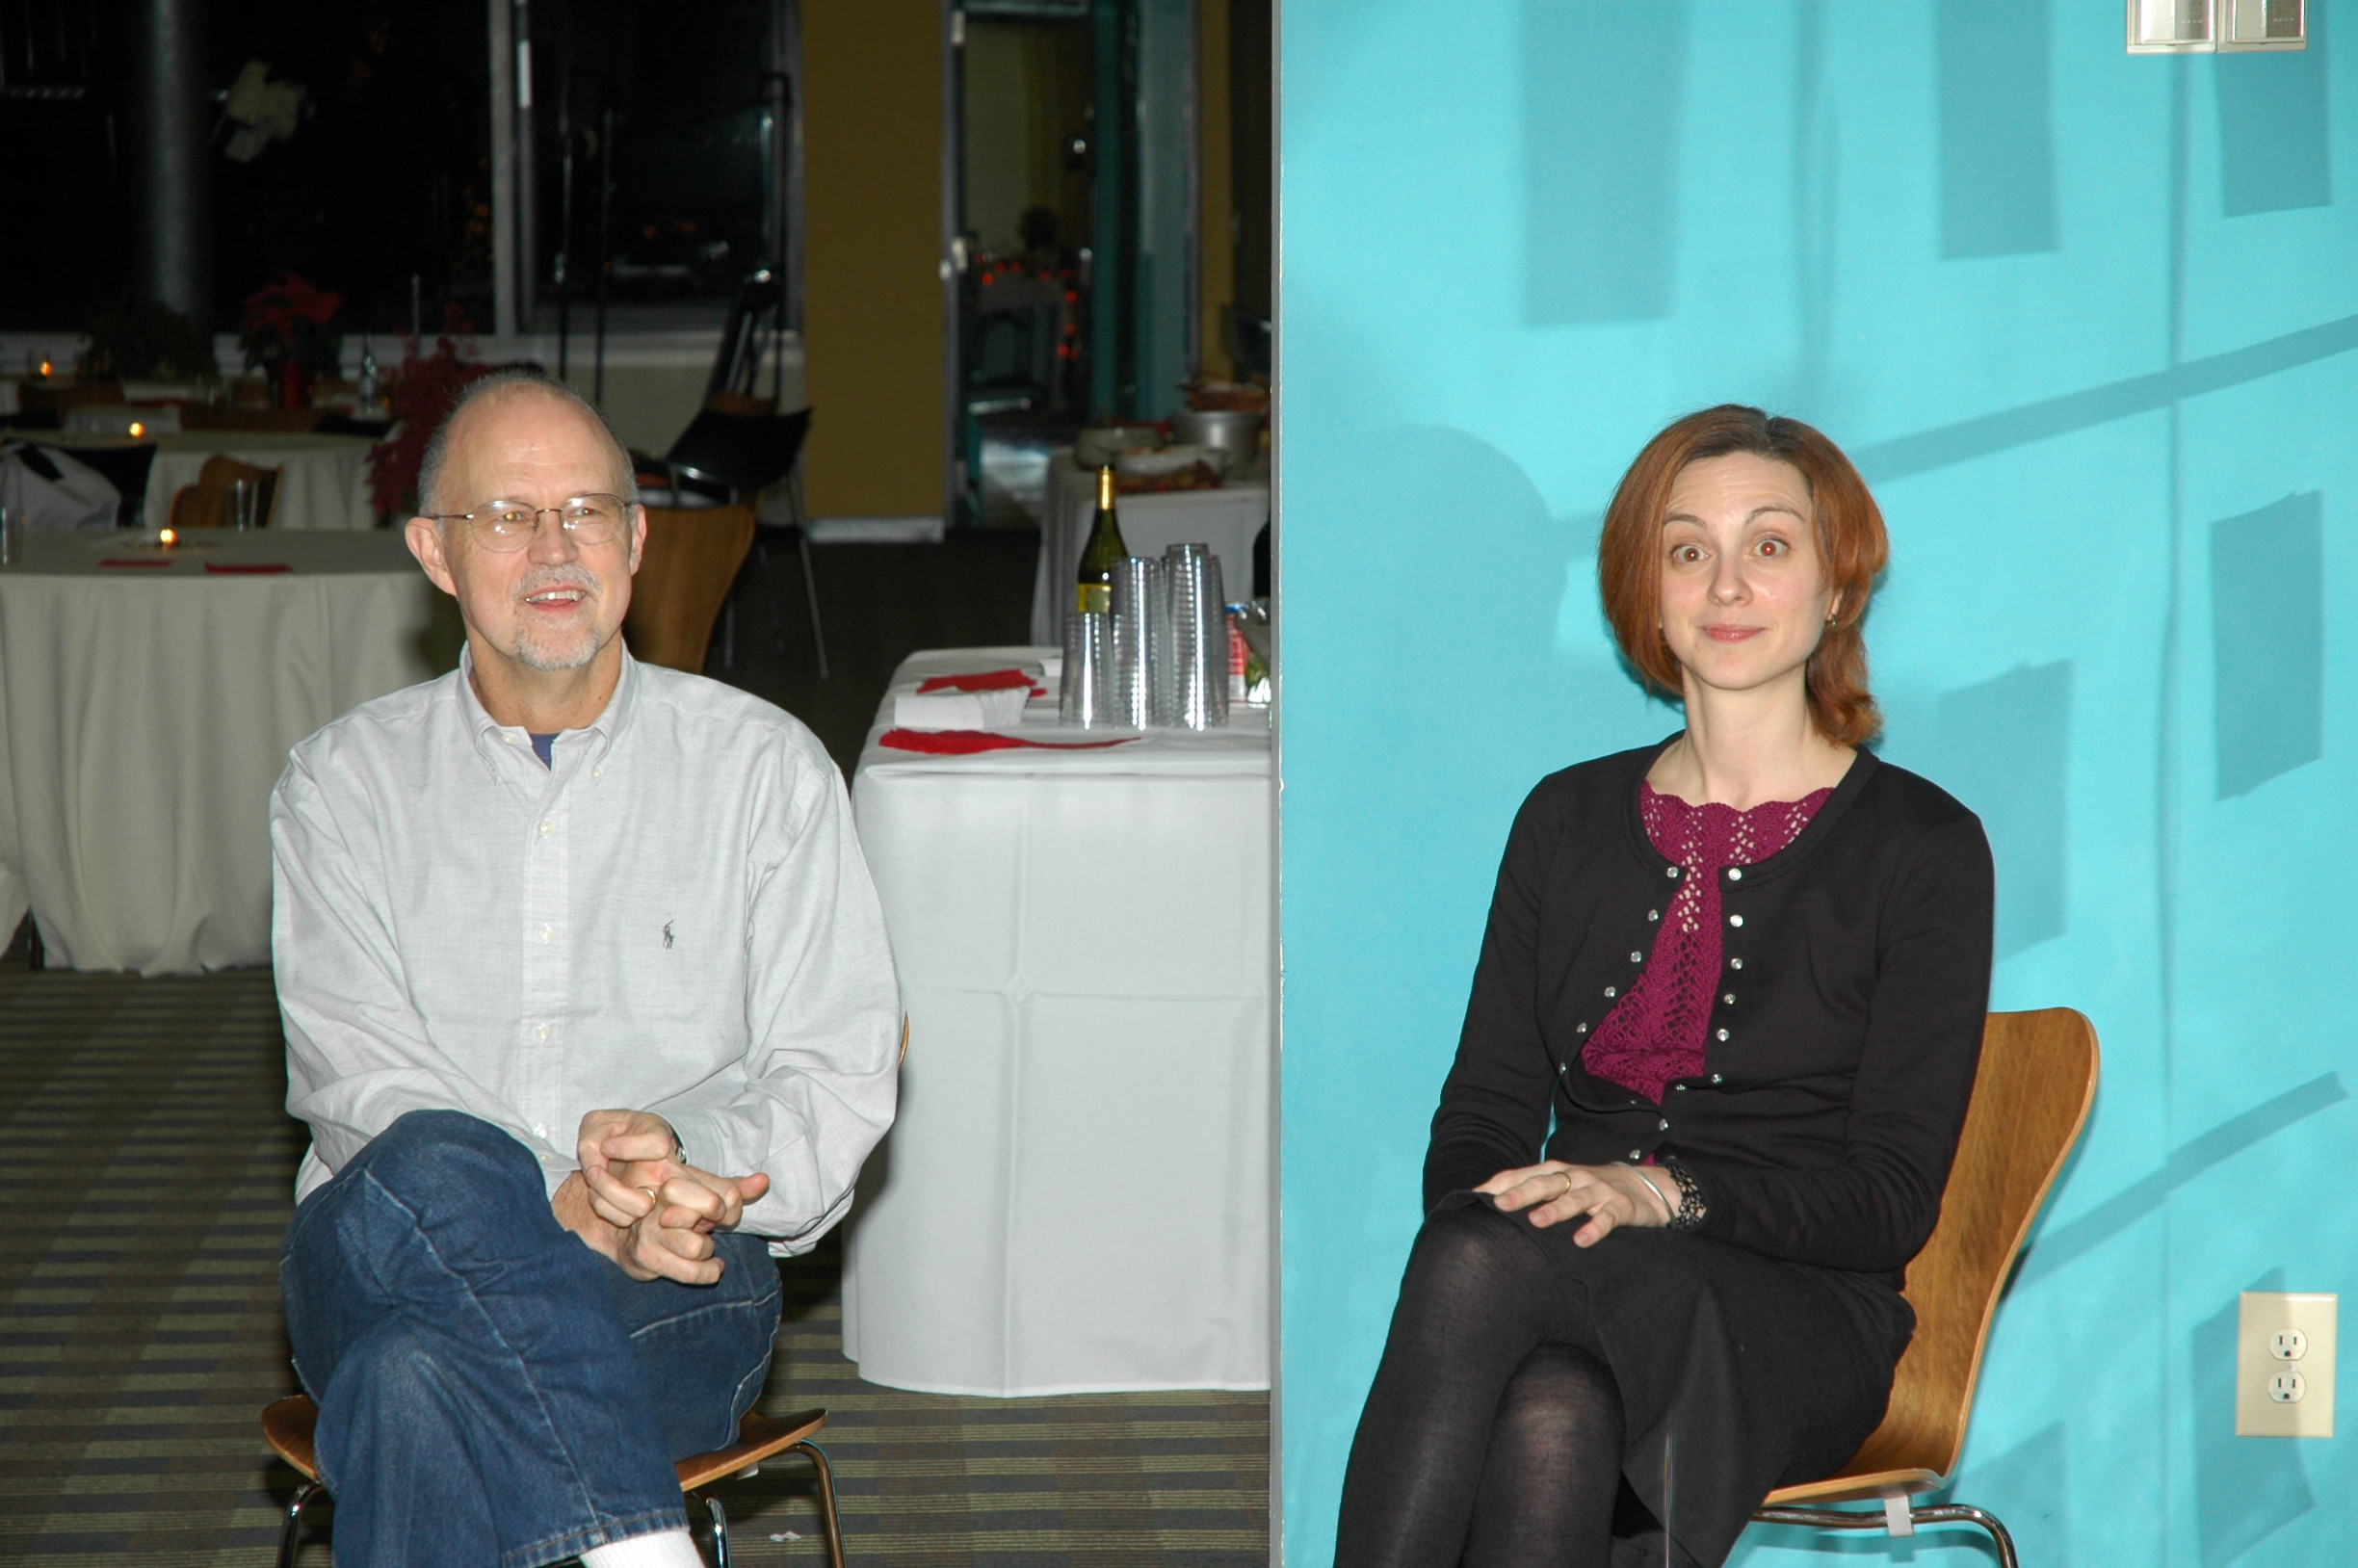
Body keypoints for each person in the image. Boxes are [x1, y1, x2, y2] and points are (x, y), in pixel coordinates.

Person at [1333, 405, 1995, 1568]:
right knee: (1552, 1401)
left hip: (1798, 1314)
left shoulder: (1923, 847)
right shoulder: (1563, 818)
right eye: (1688, 549)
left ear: (1838, 586)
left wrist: (1661, 1192)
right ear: (1647, 593)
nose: (1727, 584)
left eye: (1769, 545)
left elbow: (1890, 1199)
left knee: (1483, 1258)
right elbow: (1482, 1112)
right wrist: (1536, 1218)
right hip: (1574, 1282)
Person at [271, 372, 900, 1568]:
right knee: (439, 1153)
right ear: (435, 551)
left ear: (638, 539)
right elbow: (360, 1087)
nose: (555, 548)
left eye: (588, 511)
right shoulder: (342, 787)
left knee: (411, 1388)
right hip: (383, 1254)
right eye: (508, 515)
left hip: (676, 1272)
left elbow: (837, 1065)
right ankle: (646, 1546)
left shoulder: (765, 771)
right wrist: (566, 1206)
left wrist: (676, 1161)